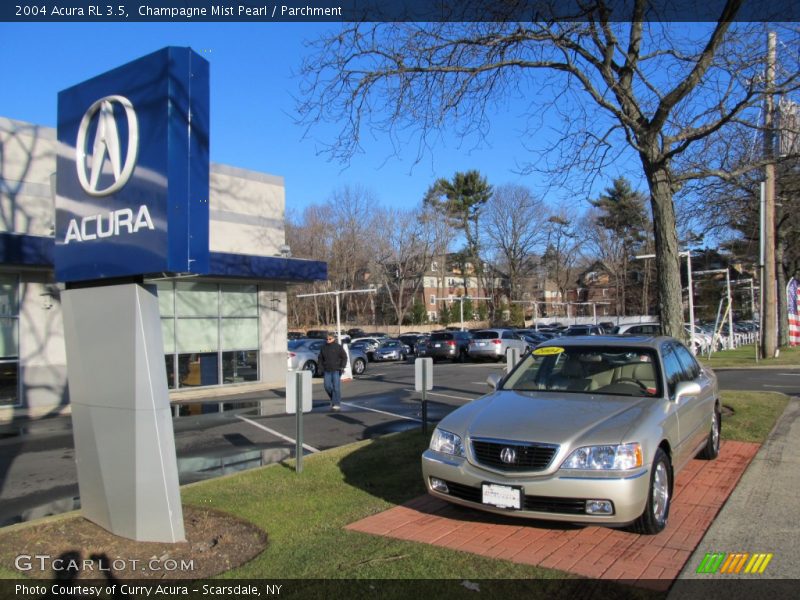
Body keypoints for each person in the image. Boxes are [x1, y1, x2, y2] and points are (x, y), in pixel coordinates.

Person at [318, 333, 348, 410]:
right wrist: (320, 368)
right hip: (327, 370)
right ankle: (334, 398)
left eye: (330, 339)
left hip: (336, 370)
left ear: (334, 339)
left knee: (336, 388)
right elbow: (320, 359)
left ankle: (336, 403)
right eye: (327, 339)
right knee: (327, 386)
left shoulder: (338, 347)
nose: (328, 340)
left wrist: (342, 366)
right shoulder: (323, 348)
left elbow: (344, 357)